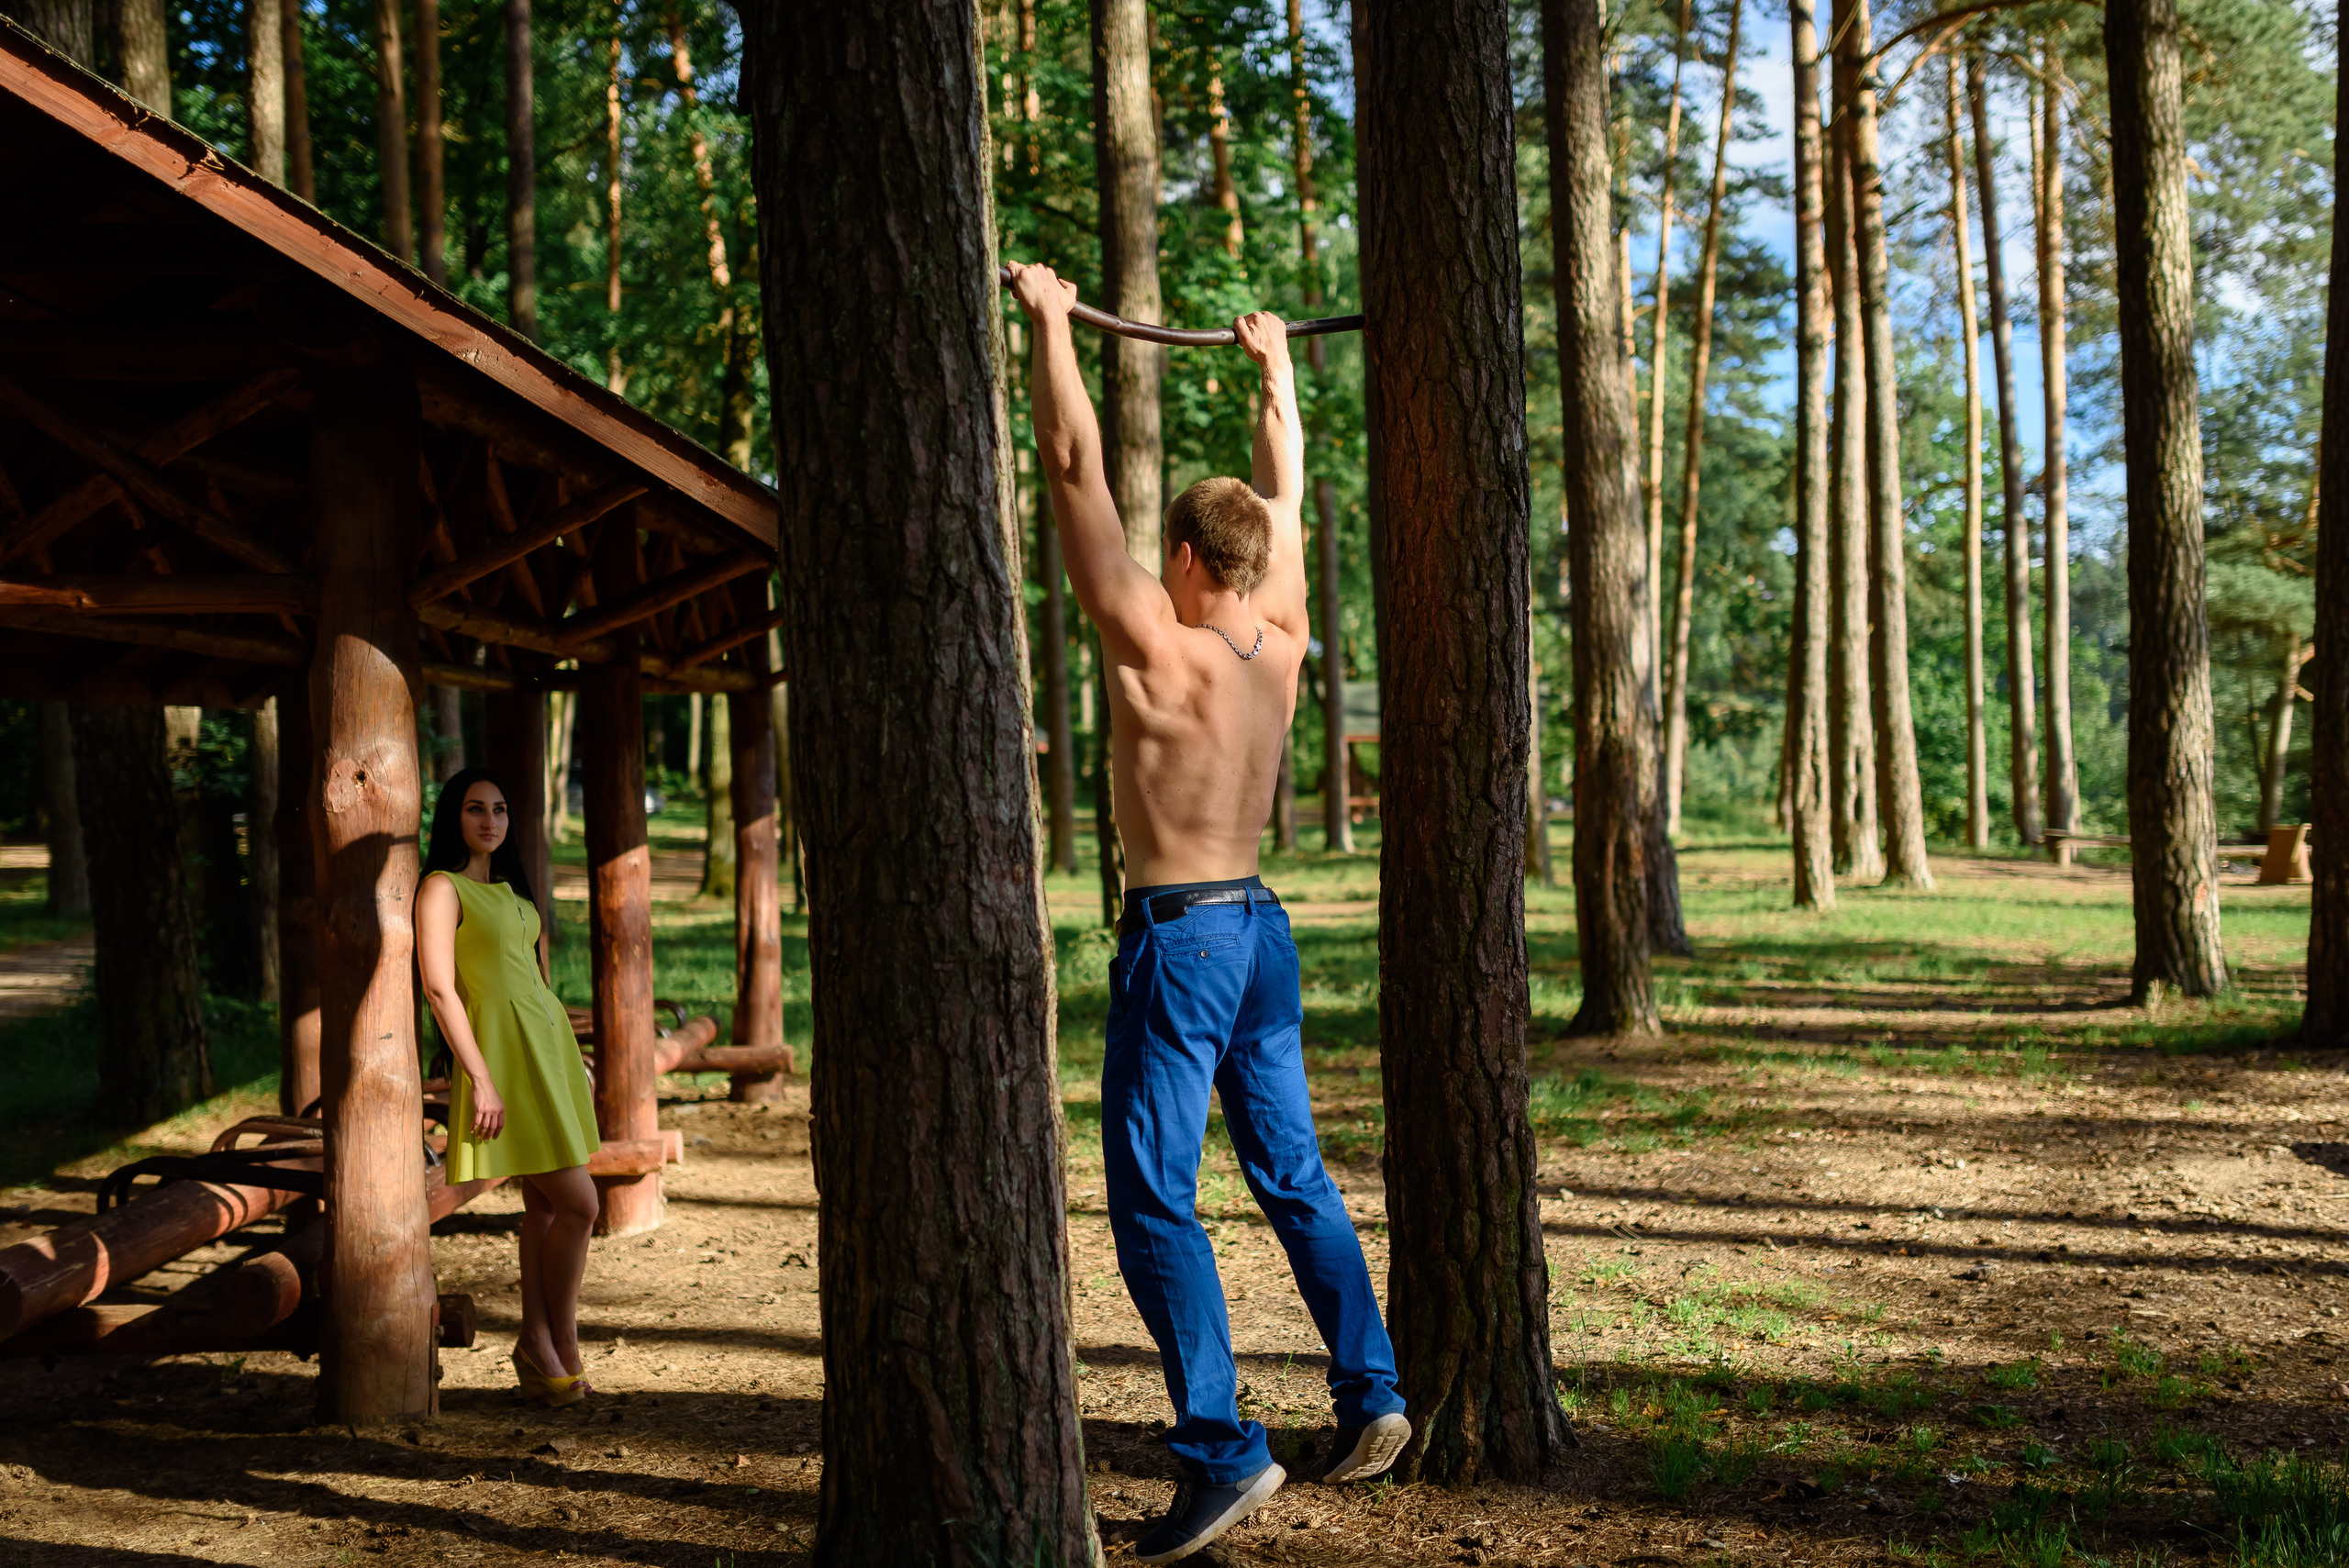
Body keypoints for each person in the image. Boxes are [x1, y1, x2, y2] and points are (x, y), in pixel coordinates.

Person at [1009, 261, 1409, 1564]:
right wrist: (1275, 367)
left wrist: (1051, 324)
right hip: (1262, 930)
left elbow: (1073, 469)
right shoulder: (1281, 638)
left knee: (1151, 1195)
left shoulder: (1153, 639)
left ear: (1184, 558)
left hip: (1182, 934)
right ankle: (1373, 1391)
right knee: (1290, 1171)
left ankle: (1224, 1448)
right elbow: (1286, 493)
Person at [415, 766, 602, 1408]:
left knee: (547, 1208)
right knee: (583, 1206)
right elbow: (441, 988)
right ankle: (563, 1342)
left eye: (499, 809)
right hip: (500, 1061)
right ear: (452, 817)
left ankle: (536, 1342)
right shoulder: (442, 888)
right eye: (474, 809)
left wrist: (571, 1058)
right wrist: (480, 1077)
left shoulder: (517, 894)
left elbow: (534, 983)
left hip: (545, 1052)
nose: (489, 820)